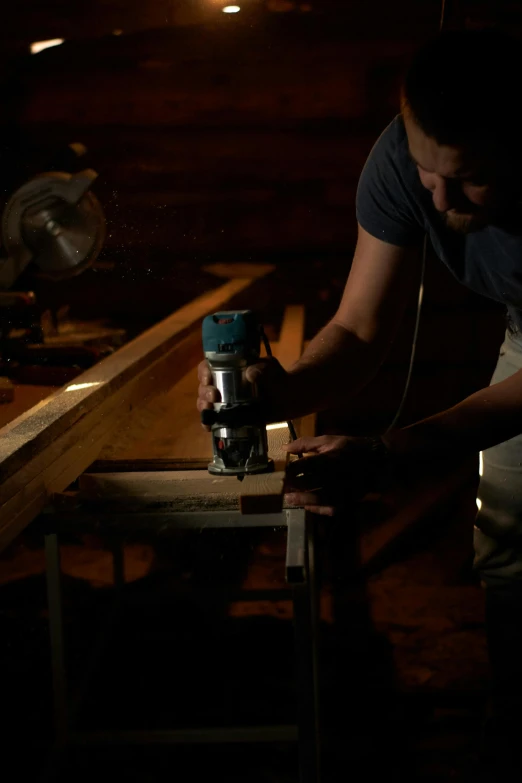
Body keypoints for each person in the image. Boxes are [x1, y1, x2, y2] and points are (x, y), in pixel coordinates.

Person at [198, 28, 522, 770]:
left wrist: (389, 450)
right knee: (509, 543)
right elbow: (359, 326)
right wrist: (280, 388)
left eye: (469, 178)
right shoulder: (406, 164)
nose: (437, 200)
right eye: (424, 170)